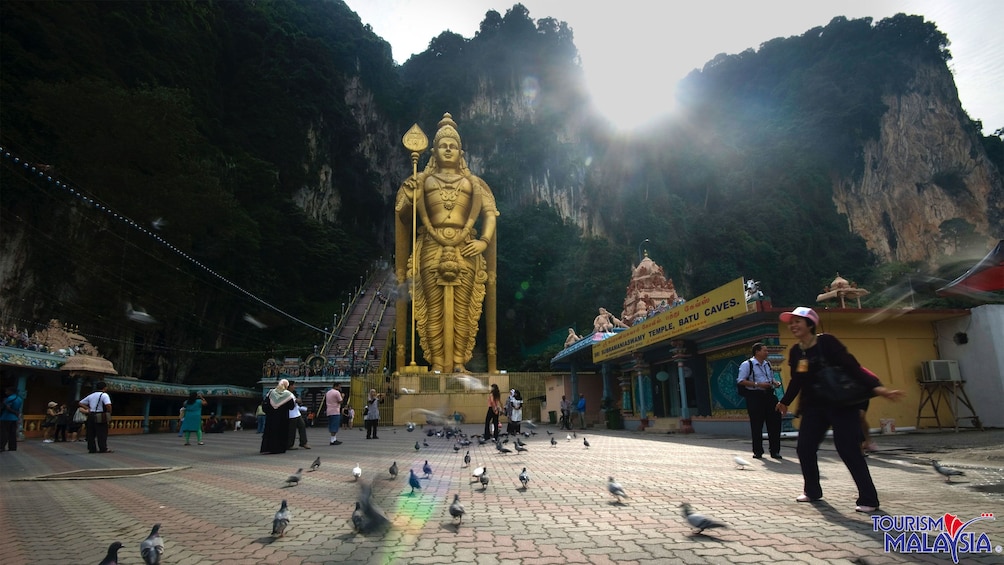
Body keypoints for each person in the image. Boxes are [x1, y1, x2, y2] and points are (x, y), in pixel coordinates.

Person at [394, 113, 499, 373]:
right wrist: (409, 197)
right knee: (433, 308)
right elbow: (406, 217)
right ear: (434, 151)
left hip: (467, 248)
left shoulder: (473, 183)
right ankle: (438, 364)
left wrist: (484, 242)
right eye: (443, 145)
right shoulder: (422, 181)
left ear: (461, 151)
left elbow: (490, 214)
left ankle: (460, 363)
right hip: (431, 245)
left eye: (453, 145)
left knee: (463, 310)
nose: (448, 149)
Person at [775, 307, 904, 513]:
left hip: (841, 404)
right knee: (804, 448)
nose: (793, 326)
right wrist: (785, 401)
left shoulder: (827, 342)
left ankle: (869, 499)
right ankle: (812, 491)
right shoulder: (797, 351)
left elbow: (852, 365)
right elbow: (797, 379)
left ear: (810, 324)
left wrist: (876, 387)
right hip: (814, 407)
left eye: (797, 321)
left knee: (849, 450)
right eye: (791, 323)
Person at [737, 342, 783, 459]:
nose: (767, 352)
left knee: (775, 423)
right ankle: (758, 451)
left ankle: (775, 451)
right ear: (757, 352)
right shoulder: (747, 364)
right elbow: (741, 381)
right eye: (764, 350)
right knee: (756, 425)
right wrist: (758, 384)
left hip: (769, 395)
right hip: (755, 396)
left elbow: (770, 377)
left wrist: (774, 382)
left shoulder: (767, 364)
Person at [260, 379, 295, 454]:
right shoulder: (288, 394)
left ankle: (268, 448)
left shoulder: (271, 392)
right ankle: (279, 448)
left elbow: (265, 405)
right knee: (281, 432)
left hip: (271, 418)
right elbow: (291, 406)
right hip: (283, 418)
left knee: (270, 432)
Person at [80, 381, 112, 454]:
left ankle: (92, 449)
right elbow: (108, 405)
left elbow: (81, 403)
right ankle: (103, 448)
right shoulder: (104, 395)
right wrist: (109, 412)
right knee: (102, 432)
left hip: (91, 415)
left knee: (91, 433)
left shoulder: (91, 395)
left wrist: (89, 408)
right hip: (100, 414)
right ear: (105, 388)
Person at [287, 382, 310, 450]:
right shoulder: (286, 393)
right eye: (293, 385)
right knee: (292, 430)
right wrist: (297, 400)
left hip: (297, 413)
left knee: (302, 426)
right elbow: (294, 401)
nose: (294, 387)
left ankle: (303, 442)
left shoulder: (293, 393)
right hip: (290, 414)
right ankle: (289, 444)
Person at [1, 386, 23, 452]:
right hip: (14, 418)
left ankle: (1, 447)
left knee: (4, 433)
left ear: (11, 391)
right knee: (12, 433)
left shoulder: (9, 399)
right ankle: (12, 447)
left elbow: (6, 408)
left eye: (7, 391)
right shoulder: (19, 399)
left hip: (6, 417)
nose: (6, 392)